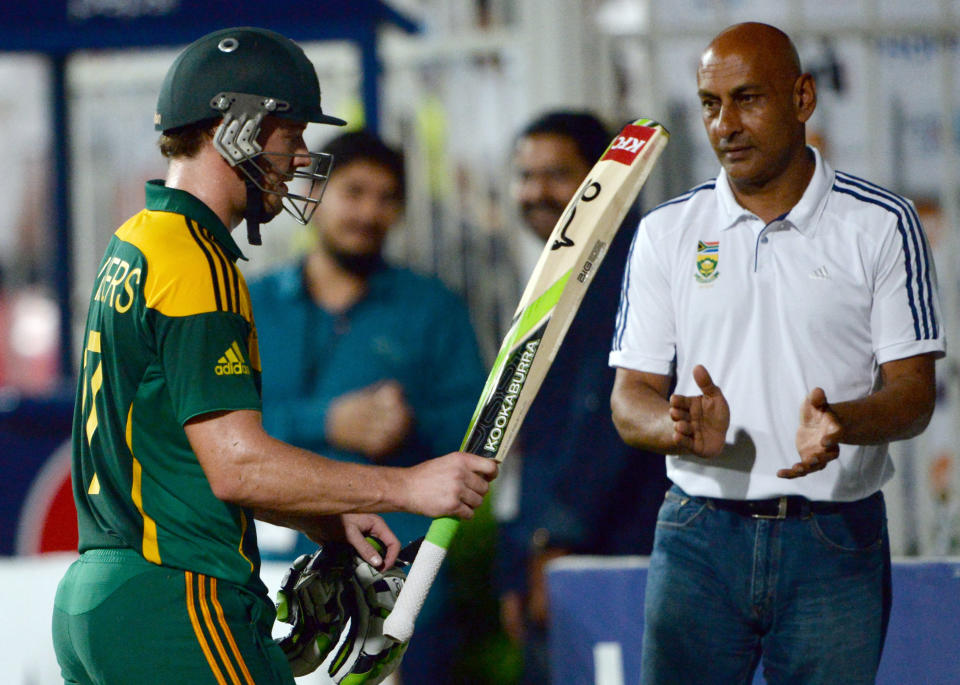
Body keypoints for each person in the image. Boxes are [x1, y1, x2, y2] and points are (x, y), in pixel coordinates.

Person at [51, 27, 497, 685]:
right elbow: (236, 465)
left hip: (95, 595)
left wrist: (318, 508)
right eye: (290, 135)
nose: (299, 158)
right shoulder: (196, 261)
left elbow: (182, 458)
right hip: (178, 595)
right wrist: (404, 483)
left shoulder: (139, 241)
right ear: (239, 129)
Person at [609, 22, 944, 684]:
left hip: (835, 537)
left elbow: (913, 393)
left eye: (748, 97)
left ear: (802, 97)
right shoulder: (665, 232)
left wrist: (844, 421)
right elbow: (630, 399)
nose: (726, 123)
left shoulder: (882, 223)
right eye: (711, 104)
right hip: (697, 533)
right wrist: (673, 426)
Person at [248, 129, 487, 683]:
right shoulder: (252, 302)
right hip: (264, 568)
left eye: (387, 198)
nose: (369, 212)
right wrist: (327, 420)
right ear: (317, 194)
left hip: (398, 576)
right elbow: (217, 430)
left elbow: (476, 431)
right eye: (354, 192)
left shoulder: (431, 308)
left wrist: (409, 425)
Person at [496, 111, 668, 683]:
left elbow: (602, 422)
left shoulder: (623, 267)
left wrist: (555, 545)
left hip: (611, 556)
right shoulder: (562, 270)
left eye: (557, 175)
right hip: (567, 550)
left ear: (603, 181)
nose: (536, 192)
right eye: (525, 175)